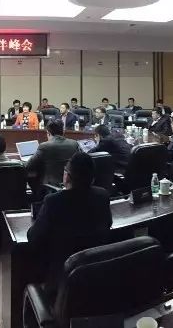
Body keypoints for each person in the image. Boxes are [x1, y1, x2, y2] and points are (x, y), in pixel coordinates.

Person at [26, 152, 112, 289]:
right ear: (92, 179)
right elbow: (108, 224)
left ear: (67, 176)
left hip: (62, 279)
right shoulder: (102, 195)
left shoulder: (53, 201)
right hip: (95, 273)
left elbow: (33, 237)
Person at [25, 120, 80, 187]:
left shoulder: (44, 146)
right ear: (63, 131)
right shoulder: (74, 144)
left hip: (50, 187)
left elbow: (28, 166)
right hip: (70, 185)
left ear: (48, 133)